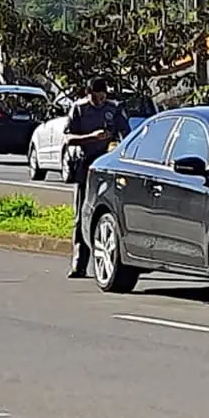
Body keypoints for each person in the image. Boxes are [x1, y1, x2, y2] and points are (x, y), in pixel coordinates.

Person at [63, 77, 130, 278]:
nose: (99, 101)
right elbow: (68, 138)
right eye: (95, 97)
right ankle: (79, 263)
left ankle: (113, 260)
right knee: (82, 213)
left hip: (108, 165)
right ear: (88, 93)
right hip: (86, 165)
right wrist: (91, 137)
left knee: (111, 211)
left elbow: (126, 134)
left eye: (102, 97)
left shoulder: (114, 109)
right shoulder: (79, 109)